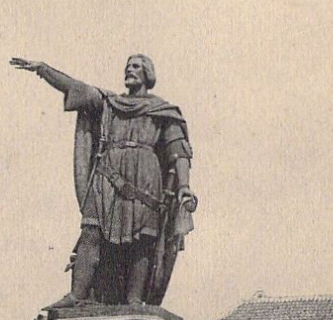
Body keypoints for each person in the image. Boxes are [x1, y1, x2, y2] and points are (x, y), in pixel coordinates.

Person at [10, 54, 197, 306]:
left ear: (148, 74)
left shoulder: (162, 111)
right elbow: (76, 88)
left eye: (136, 66)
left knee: (142, 241)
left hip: (146, 179)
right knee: (91, 231)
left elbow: (178, 151)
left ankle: (134, 300)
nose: (129, 70)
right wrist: (43, 70)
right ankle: (76, 295)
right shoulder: (110, 103)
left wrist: (184, 187)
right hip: (107, 176)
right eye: (127, 66)